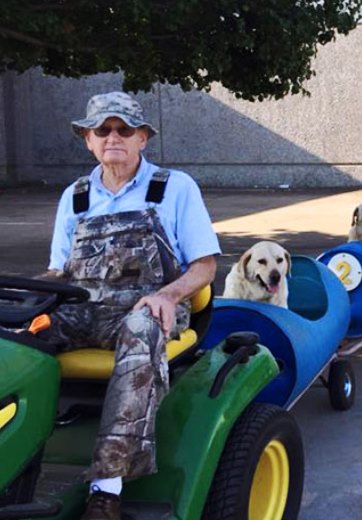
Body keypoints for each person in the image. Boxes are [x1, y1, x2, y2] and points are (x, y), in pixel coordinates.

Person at [41, 92, 220, 520]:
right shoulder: (76, 196)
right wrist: (33, 303)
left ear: (143, 138)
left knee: (141, 330)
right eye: (102, 129)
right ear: (88, 140)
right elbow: (56, 272)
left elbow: (206, 266)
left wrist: (168, 295)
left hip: (150, 306)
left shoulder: (174, 188)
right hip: (84, 309)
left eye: (124, 129)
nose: (113, 137)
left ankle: (107, 491)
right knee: (18, 333)